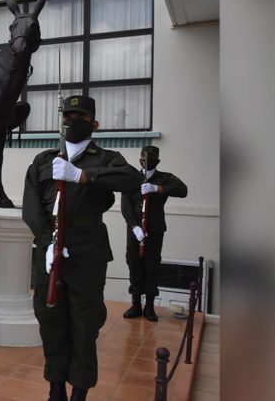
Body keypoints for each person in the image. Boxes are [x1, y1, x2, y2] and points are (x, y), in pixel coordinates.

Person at [22, 95, 142, 401]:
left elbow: (132, 179)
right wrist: (47, 241)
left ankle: (80, 390)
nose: (72, 120)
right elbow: (31, 207)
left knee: (84, 323)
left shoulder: (106, 158)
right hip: (50, 249)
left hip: (88, 249)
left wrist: (82, 175)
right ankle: (56, 387)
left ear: (94, 123)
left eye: (80, 116)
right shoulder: (44, 160)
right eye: (68, 114)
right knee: (51, 320)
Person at [120, 146, 188, 322]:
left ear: (157, 160)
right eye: (143, 156)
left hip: (155, 229)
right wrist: (134, 226)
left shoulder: (164, 178)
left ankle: (149, 306)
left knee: (151, 266)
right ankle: (136, 304)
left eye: (151, 156)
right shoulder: (132, 178)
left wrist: (157, 189)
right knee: (134, 264)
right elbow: (126, 205)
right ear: (139, 159)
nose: (146, 159)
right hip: (135, 231)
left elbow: (183, 190)